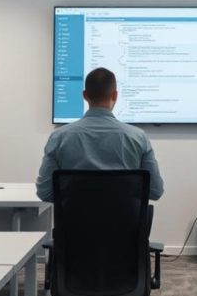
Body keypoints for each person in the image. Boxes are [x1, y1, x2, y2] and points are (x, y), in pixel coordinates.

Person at [36, 67, 164, 202]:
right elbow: (155, 191)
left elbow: (44, 193)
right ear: (115, 95)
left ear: (85, 95)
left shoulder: (59, 137)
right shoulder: (138, 138)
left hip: (74, 222)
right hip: (124, 222)